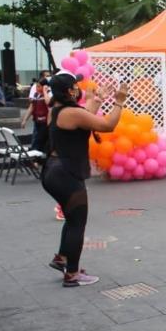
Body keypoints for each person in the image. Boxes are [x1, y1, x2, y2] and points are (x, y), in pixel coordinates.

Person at [42, 73, 128, 287]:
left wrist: (97, 99)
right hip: (66, 174)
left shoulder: (57, 110)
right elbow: (107, 125)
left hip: (53, 171)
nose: (79, 89)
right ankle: (72, 274)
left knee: (72, 219)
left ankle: (62, 258)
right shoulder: (71, 112)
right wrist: (119, 101)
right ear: (70, 90)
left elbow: (85, 116)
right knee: (77, 223)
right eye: (75, 86)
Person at [21, 78, 50, 153]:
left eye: (39, 86)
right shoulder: (36, 95)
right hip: (37, 121)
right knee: (36, 140)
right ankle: (36, 160)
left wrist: (45, 91)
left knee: (42, 141)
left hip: (46, 122)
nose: (37, 88)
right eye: (36, 86)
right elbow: (31, 108)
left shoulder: (48, 95)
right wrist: (25, 120)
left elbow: (49, 106)